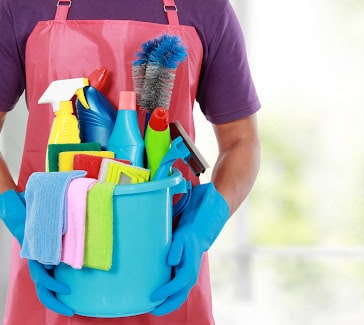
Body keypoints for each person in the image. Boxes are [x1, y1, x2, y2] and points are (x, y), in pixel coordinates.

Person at [0, 0, 261, 324]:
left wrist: (204, 223)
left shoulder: (207, 7)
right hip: (54, 252)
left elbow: (242, 142)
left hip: (166, 259)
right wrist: (21, 220)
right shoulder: (19, 5)